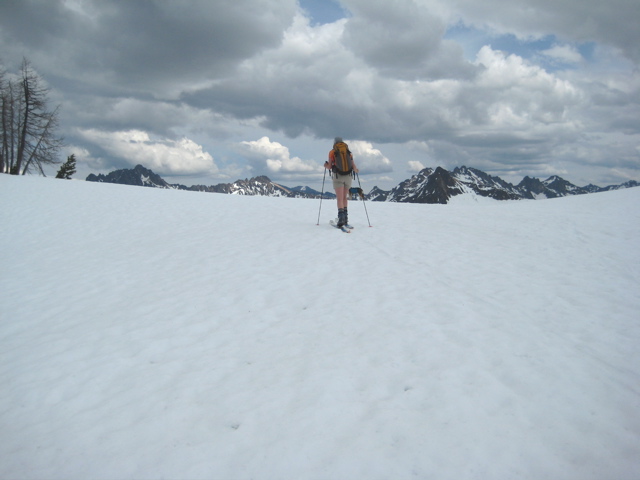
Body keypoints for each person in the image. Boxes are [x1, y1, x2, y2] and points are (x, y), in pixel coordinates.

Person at [324, 137, 359, 227]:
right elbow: (353, 165)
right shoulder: (348, 152)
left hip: (338, 176)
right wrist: (356, 170)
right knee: (344, 198)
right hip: (348, 176)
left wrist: (325, 165)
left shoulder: (332, 152)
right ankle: (346, 219)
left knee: (339, 199)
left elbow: (329, 166)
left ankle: (341, 219)